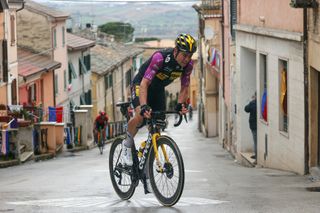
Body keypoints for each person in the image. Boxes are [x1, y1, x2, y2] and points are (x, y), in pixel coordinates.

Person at [121, 33, 197, 167]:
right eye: (184, 55)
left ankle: (148, 162)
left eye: (190, 56)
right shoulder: (160, 58)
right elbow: (144, 84)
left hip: (157, 89)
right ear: (176, 51)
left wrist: (180, 104)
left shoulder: (188, 65)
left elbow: (185, 86)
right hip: (141, 84)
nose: (187, 59)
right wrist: (144, 106)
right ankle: (126, 145)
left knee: (159, 123)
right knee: (140, 117)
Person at [244, 93, 257, 160]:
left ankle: (256, 155)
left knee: (255, 141)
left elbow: (246, 109)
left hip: (254, 125)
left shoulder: (253, 103)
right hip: (256, 125)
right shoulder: (259, 103)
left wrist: (252, 101)